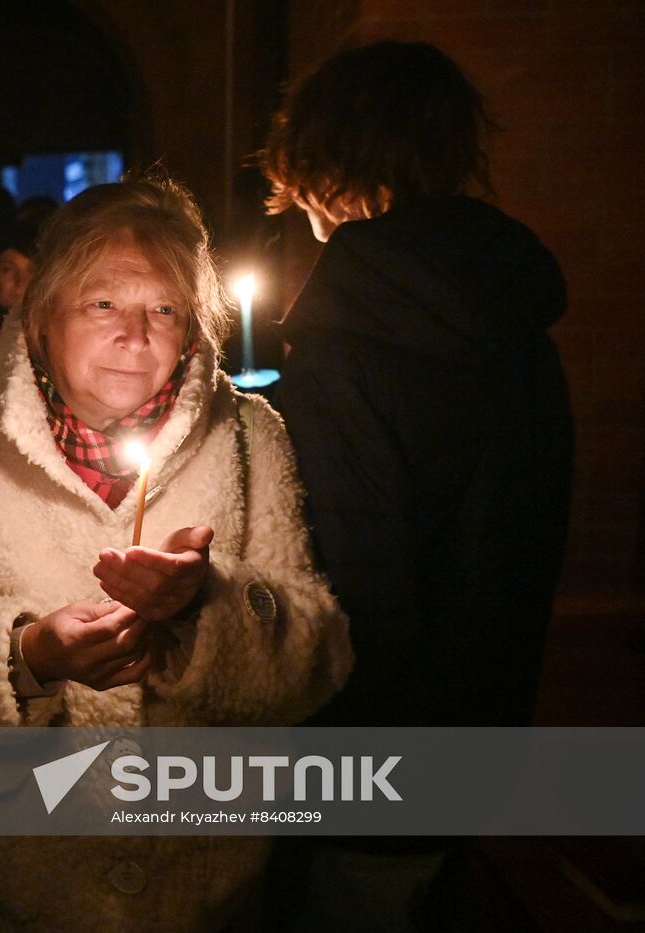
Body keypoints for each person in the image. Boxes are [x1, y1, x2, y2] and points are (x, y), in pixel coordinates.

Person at [0, 174, 352, 932]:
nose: (136, 336)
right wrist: (24, 656)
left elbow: (318, 652)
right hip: (9, 892)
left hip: (207, 891)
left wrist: (205, 612)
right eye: (103, 303)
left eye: (164, 309)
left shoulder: (247, 436)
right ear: (44, 316)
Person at [260, 40, 574, 930]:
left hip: (370, 750)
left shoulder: (351, 336)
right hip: (485, 723)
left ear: (327, 168)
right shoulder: (518, 324)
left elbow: (349, 579)